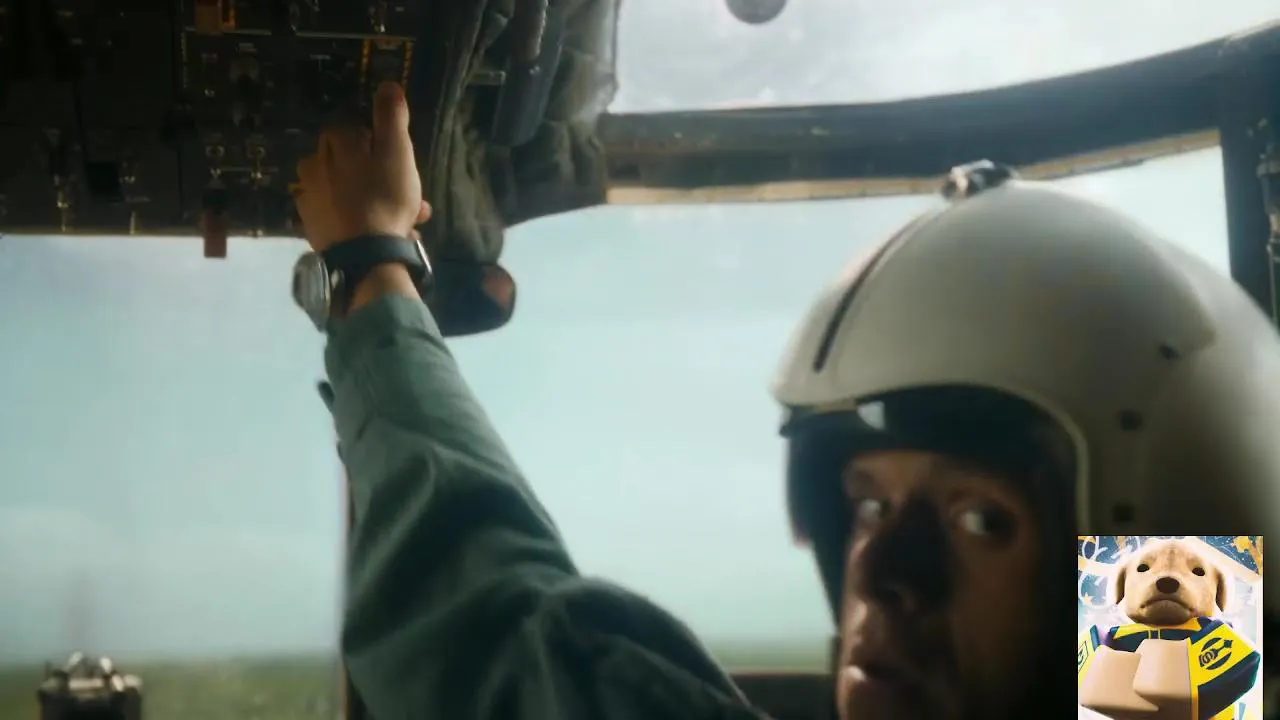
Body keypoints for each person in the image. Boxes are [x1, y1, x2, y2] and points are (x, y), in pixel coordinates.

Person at [291, 82, 1280, 720]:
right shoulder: (1192, 683)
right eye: (867, 506)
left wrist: (373, 257)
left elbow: (484, 635)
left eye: (983, 520)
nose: (878, 576)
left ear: (1166, 580)